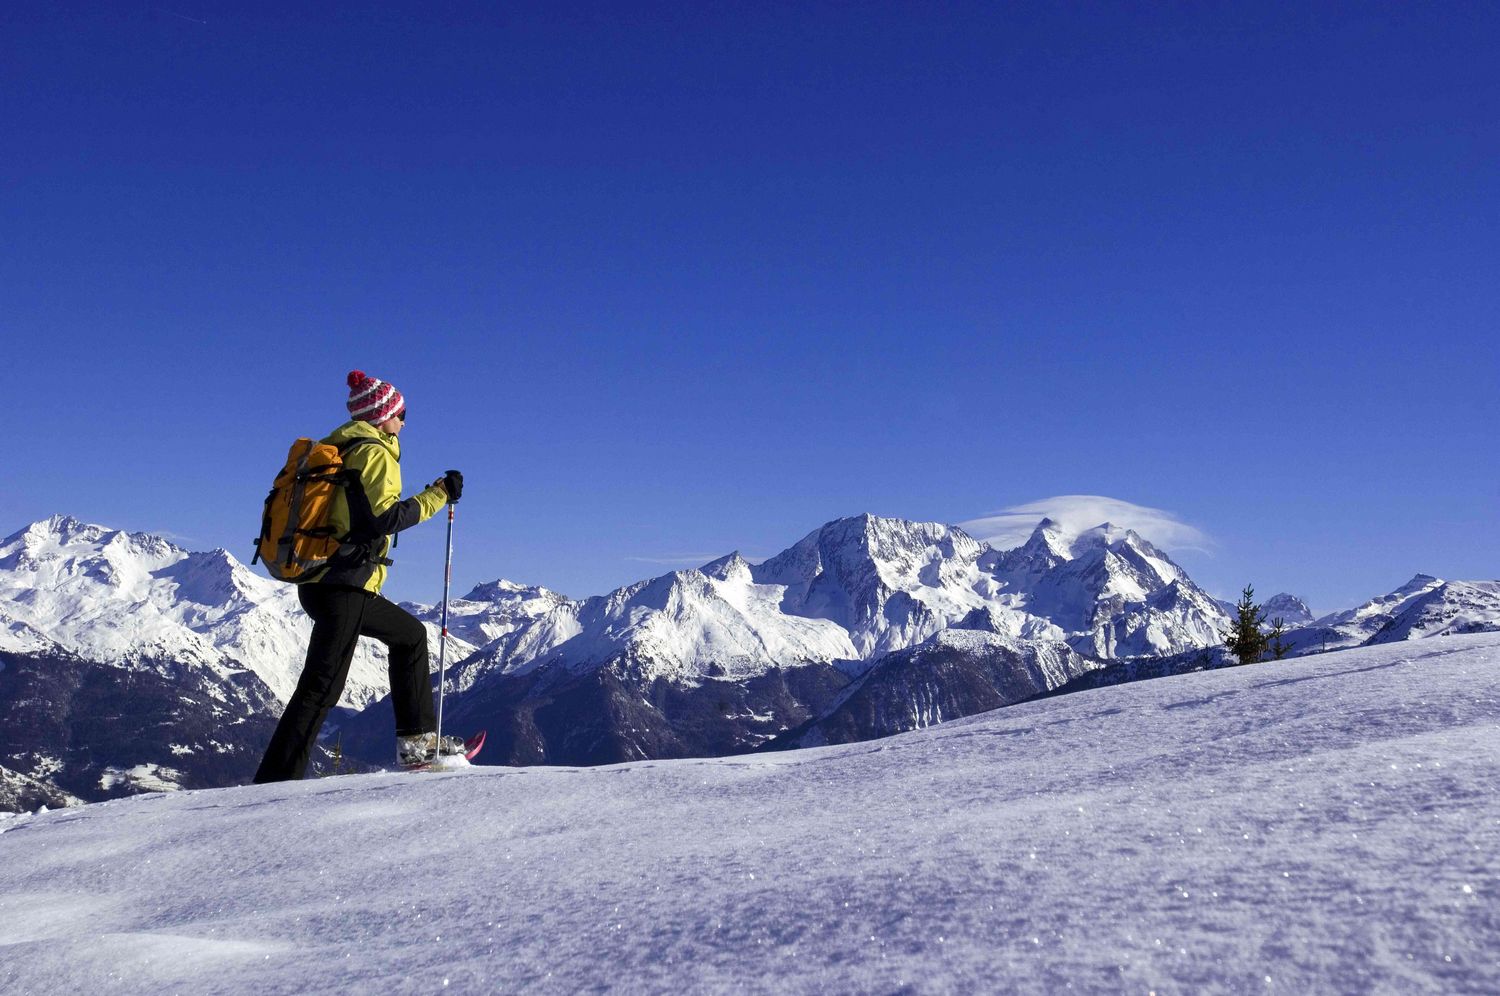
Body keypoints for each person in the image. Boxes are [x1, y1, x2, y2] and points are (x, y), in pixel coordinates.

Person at [254, 370, 465, 782]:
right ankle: (274, 782)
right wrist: (439, 494)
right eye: (401, 413)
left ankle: (416, 743)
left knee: (409, 636)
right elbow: (384, 518)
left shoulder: (340, 445)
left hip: (322, 581)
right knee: (321, 688)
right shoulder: (373, 452)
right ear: (382, 414)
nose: (404, 421)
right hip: (344, 584)